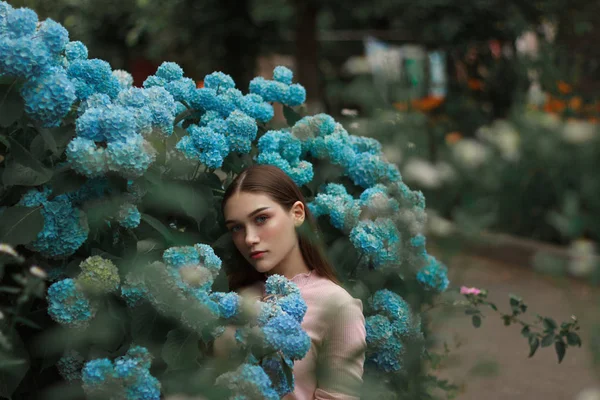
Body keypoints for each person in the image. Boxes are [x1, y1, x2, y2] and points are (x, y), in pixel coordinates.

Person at [216, 164, 367, 400]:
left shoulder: (337, 305)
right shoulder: (231, 296)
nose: (249, 238)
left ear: (297, 214)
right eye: (236, 227)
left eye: (261, 218)